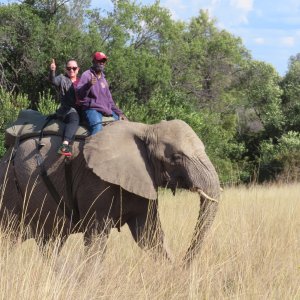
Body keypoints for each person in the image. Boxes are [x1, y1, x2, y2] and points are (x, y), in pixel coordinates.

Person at [76, 51, 127, 135]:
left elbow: (110, 101)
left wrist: (120, 113)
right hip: (92, 109)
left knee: (122, 124)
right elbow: (79, 94)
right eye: (99, 61)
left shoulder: (104, 79)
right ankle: (92, 148)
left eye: (103, 61)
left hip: (105, 110)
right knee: (97, 128)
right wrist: (88, 85)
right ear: (94, 62)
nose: (101, 63)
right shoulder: (87, 75)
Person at [49, 58, 80, 157]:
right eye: (69, 68)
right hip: (67, 109)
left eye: (74, 68)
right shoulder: (62, 78)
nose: (71, 70)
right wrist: (52, 71)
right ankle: (64, 145)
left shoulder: (81, 81)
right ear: (66, 69)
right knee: (74, 119)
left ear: (78, 69)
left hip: (80, 109)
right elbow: (53, 81)